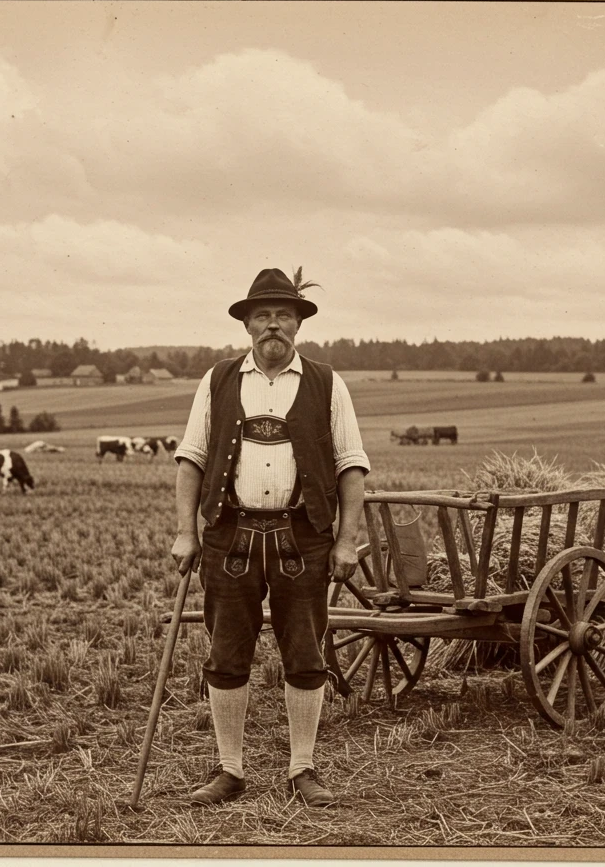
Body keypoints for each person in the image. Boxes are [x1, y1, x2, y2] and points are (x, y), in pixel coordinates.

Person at [171, 267, 370, 808]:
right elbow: (190, 459)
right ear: (247, 325)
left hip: (302, 538)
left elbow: (352, 467)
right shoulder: (218, 380)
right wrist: (186, 532)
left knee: (305, 654)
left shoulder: (327, 383)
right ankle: (229, 771)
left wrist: (346, 541)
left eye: (284, 315)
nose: (273, 326)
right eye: (263, 316)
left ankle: (302, 769)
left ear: (299, 324)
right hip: (229, 535)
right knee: (226, 652)